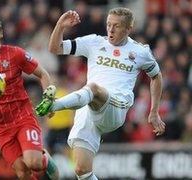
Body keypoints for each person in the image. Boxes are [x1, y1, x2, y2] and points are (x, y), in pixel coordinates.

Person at [36, 8, 166, 180]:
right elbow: (55, 48)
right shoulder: (94, 42)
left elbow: (156, 76)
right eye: (108, 25)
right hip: (88, 108)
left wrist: (154, 111)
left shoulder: (140, 52)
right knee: (82, 170)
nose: (110, 30)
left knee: (93, 88)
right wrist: (60, 25)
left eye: (116, 26)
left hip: (115, 107)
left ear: (128, 28)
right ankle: (56, 104)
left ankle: (54, 105)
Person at [0, 14, 59, 180]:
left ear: (1, 33)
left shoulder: (15, 54)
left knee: (33, 162)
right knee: (22, 172)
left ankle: (44, 157)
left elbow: (43, 74)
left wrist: (49, 100)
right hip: (0, 126)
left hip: (23, 117)